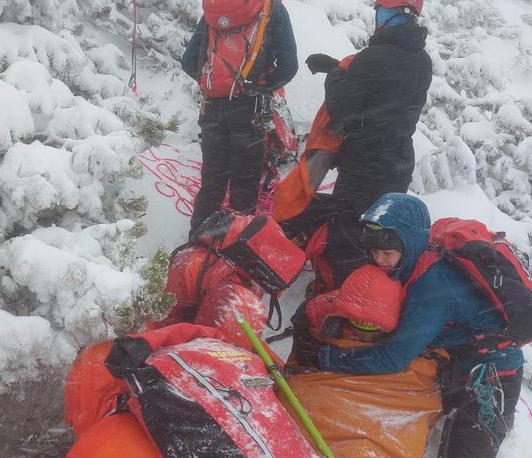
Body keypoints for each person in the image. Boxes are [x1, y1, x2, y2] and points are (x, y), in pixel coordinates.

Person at [294, 193, 524, 458]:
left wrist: (324, 356)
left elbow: (391, 358)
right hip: (460, 357)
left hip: (494, 373)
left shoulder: (432, 289)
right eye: (375, 252)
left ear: (410, 242)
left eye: (387, 253)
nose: (380, 260)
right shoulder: (416, 259)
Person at [279, 0, 432, 289]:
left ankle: (340, 298)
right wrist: (340, 68)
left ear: (403, 14)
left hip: (366, 161)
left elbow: (342, 108)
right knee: (377, 230)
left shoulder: (373, 57)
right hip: (397, 161)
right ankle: (369, 293)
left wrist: (336, 75)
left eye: (384, 12)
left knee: (347, 233)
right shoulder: (421, 61)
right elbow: (384, 90)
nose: (380, 17)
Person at [181, 0, 298, 235]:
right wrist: (261, 86)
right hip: (250, 111)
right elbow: (289, 67)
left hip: (212, 109)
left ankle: (196, 247)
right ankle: (234, 255)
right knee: (243, 190)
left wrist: (214, 86)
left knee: (212, 185)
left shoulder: (217, 5)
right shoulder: (269, 8)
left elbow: (189, 61)